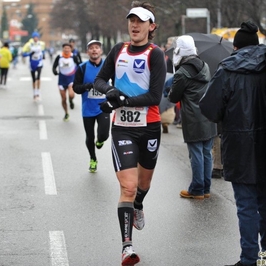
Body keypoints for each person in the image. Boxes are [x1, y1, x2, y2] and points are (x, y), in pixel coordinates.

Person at [199, 21, 266, 266]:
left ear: (236, 46)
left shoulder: (228, 69)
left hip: (239, 144)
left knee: (246, 206)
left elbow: (210, 108)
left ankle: (249, 259)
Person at [94, 2, 166, 265]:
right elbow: (99, 80)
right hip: (123, 127)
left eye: (141, 21)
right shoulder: (118, 50)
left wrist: (122, 100)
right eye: (131, 21)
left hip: (149, 127)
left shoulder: (155, 54)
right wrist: (109, 92)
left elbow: (155, 96)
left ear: (151, 26)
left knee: (143, 186)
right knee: (128, 186)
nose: (135, 25)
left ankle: (139, 205)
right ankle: (127, 248)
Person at [167, 35, 217, 200]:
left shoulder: (182, 73)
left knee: (195, 152)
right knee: (206, 152)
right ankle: (206, 188)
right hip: (208, 115)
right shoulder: (205, 66)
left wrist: (171, 91)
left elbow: (174, 97)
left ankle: (196, 189)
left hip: (193, 118)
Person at [73, 40, 110, 172]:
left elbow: (117, 81)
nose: (94, 50)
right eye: (91, 48)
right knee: (90, 137)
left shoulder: (108, 66)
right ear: (87, 52)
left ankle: (100, 140)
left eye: (97, 48)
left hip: (104, 106)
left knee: (104, 135)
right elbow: (75, 88)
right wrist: (85, 86)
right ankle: (93, 158)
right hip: (88, 108)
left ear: (101, 51)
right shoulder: (82, 68)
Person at [52, 43, 79, 121]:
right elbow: (54, 66)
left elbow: (79, 65)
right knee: (63, 98)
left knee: (71, 95)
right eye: (65, 48)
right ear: (63, 49)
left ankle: (71, 101)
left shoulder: (73, 57)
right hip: (62, 80)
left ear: (70, 49)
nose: (66, 50)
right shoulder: (59, 57)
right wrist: (54, 71)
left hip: (71, 79)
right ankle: (66, 113)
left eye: (68, 48)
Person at [22, 32, 46, 100]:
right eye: (34, 37)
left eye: (37, 37)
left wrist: (43, 54)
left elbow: (43, 51)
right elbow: (23, 53)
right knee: (34, 79)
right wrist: (29, 54)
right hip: (32, 63)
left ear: (38, 37)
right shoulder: (28, 44)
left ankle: (38, 92)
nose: (36, 38)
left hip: (39, 62)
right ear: (33, 37)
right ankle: (34, 92)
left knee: (38, 77)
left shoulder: (42, 44)